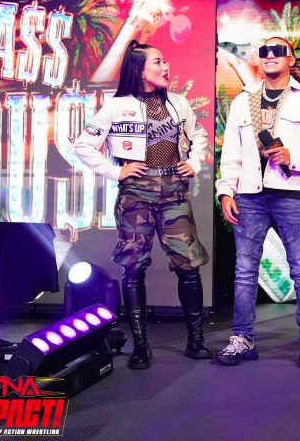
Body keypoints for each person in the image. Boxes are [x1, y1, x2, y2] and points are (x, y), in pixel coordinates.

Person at [74, 40, 211, 369]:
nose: (166, 67)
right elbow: (83, 145)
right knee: (133, 267)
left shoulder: (178, 103)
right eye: (158, 62)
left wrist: (194, 162)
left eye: (165, 61)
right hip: (136, 193)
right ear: (139, 70)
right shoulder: (116, 106)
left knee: (188, 265)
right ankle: (140, 346)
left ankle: (196, 341)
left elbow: (200, 136)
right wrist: (116, 171)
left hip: (174, 191)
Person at [216, 37, 300, 367]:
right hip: (249, 194)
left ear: (291, 59)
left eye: (278, 51)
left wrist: (292, 155)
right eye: (264, 52)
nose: (270, 56)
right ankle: (242, 337)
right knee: (244, 271)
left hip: (291, 193)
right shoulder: (243, 101)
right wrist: (225, 191)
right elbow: (232, 152)